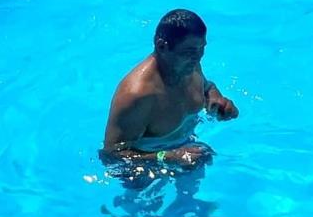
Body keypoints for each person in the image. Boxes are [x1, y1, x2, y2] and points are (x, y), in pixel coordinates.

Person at [101, 9, 238, 169]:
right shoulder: (137, 95)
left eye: (202, 49)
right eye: (190, 51)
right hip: (145, 172)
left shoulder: (189, 64)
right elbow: (111, 156)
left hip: (185, 151)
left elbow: (207, 86)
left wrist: (216, 98)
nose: (199, 57)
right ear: (162, 46)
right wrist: (166, 157)